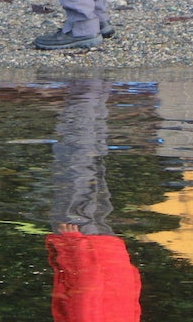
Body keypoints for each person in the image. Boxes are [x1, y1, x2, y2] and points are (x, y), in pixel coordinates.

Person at [44, 79, 142, 321]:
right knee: (74, 162)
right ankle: (84, 90)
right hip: (83, 243)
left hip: (110, 253)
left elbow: (134, 289)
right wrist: (72, 246)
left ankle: (95, 89)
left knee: (93, 163)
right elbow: (85, 294)